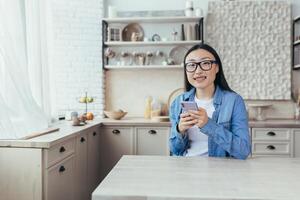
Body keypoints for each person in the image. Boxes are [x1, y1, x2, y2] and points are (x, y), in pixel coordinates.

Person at [169, 43, 251, 159]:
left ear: (217, 67)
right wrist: (180, 130)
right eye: (191, 65)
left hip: (219, 172)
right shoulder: (178, 102)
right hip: (186, 170)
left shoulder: (234, 101)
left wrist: (208, 124)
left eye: (205, 63)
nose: (198, 71)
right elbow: (175, 151)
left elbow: (243, 150)